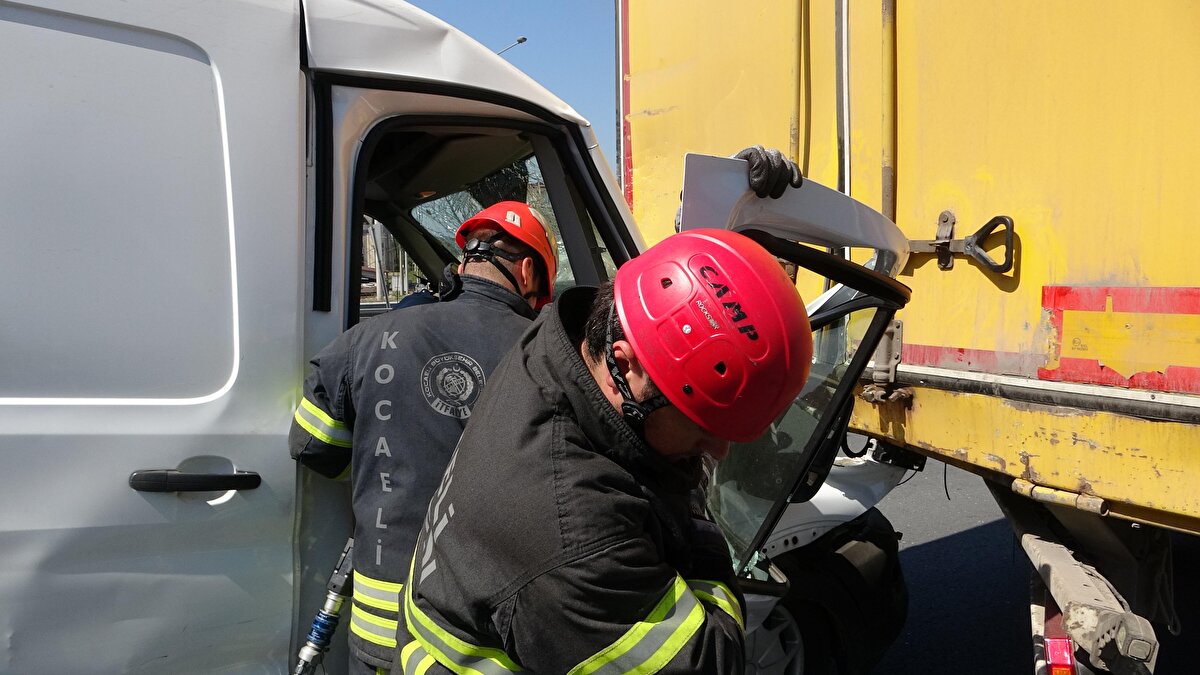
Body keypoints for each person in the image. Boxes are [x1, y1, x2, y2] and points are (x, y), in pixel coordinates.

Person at [395, 225, 815, 673]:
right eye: (703, 423)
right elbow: (711, 661)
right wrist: (704, 536)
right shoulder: (576, 540)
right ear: (627, 365)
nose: (720, 449)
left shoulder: (550, 350)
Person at [288, 201, 558, 674]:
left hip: (380, 630)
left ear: (464, 262)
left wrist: (386, 457)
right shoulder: (551, 356)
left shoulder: (370, 337)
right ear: (529, 272)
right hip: (481, 644)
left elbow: (312, 445)